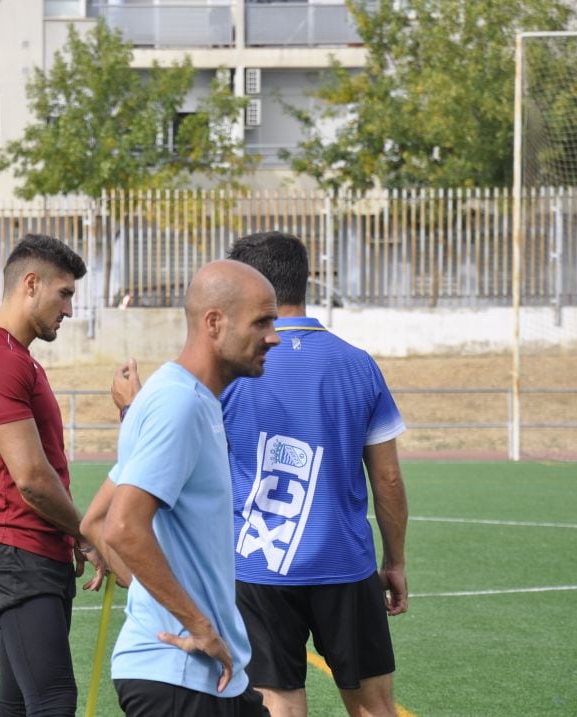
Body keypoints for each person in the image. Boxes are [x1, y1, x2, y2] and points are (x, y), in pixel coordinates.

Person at [221, 231, 409, 717]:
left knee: (277, 702)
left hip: (259, 564)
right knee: (373, 705)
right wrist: (395, 561)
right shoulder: (358, 364)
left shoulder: (233, 367)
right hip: (344, 564)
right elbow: (386, 479)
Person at [81, 259, 280, 717]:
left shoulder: (181, 398)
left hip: (205, 676)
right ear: (214, 323)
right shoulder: (178, 404)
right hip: (179, 674)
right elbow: (121, 527)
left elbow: (94, 521)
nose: (274, 336)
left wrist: (153, 597)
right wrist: (195, 623)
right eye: (262, 322)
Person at [0, 233, 104, 717]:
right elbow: (33, 480)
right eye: (64, 294)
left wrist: (69, 541)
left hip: (35, 550)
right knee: (54, 702)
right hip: (16, 551)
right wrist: (86, 536)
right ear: (31, 284)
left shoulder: (18, 358)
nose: (69, 309)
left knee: (19, 706)